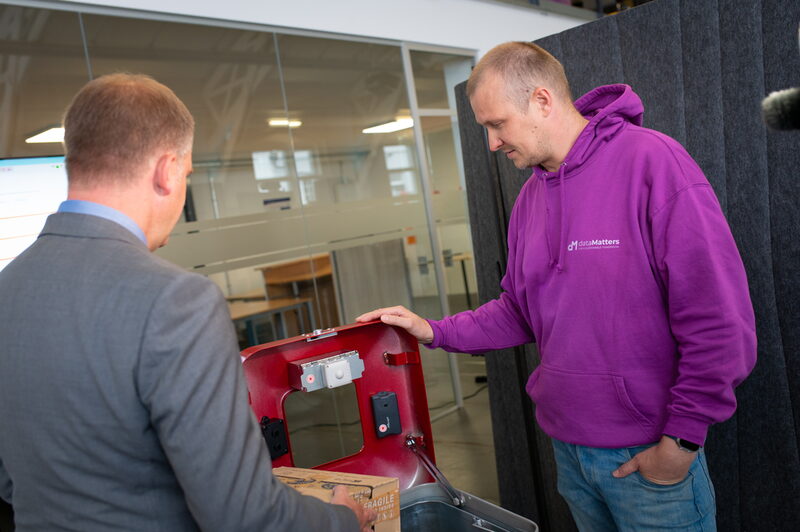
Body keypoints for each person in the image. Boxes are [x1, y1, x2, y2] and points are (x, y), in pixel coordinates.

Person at [358, 42, 756, 531]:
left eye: (496, 124)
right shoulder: (530, 199)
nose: (492, 143)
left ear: (542, 101)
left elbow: (720, 321)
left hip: (650, 456)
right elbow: (518, 310)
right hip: (570, 453)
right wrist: (433, 329)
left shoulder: (652, 162)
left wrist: (681, 444)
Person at [0, 73, 374, 531]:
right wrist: (342, 520)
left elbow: (10, 479)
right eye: (188, 175)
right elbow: (245, 517)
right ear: (167, 170)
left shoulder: (8, 287)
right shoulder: (176, 301)